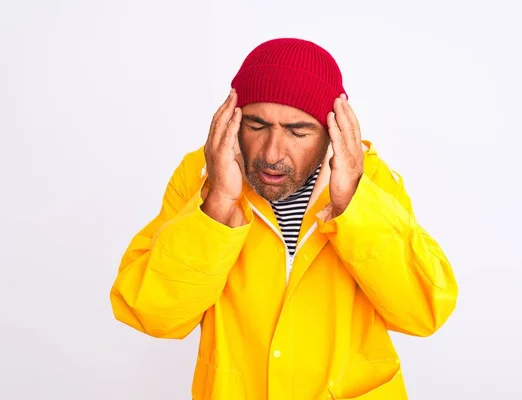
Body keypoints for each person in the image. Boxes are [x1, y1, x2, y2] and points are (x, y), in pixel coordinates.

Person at [110, 37, 458, 400]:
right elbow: (152, 314)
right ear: (232, 120)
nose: (273, 153)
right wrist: (218, 204)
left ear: (332, 131)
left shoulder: (368, 181)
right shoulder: (201, 178)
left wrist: (353, 203)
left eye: (298, 131)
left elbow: (423, 312)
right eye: (257, 126)